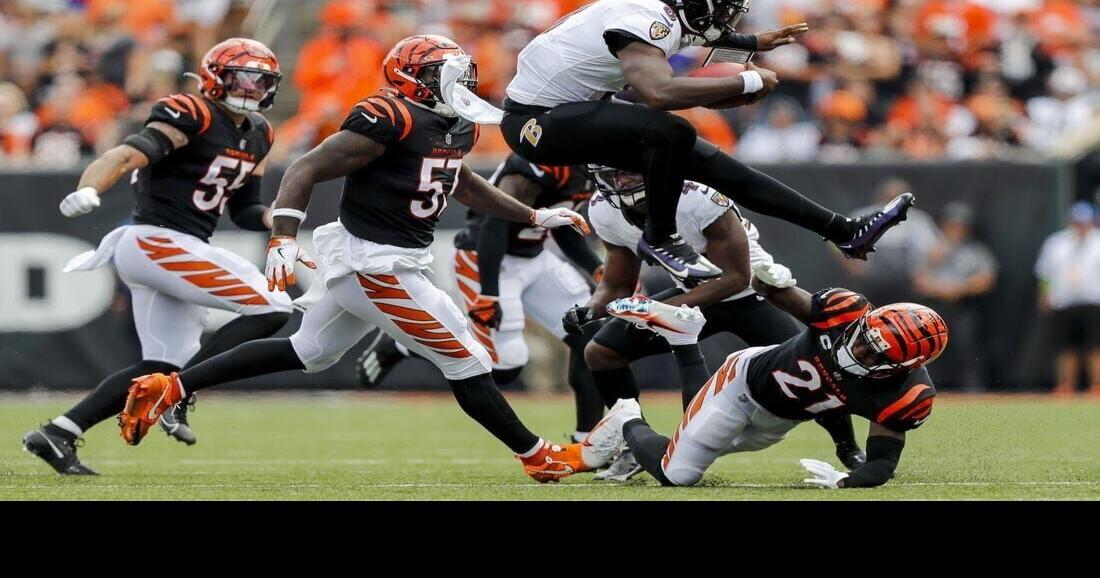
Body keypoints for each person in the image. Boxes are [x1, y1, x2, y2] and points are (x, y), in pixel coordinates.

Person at [117, 35, 612, 483]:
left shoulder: (456, 124)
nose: (463, 82)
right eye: (449, 73)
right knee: (467, 358)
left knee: (307, 350)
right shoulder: (389, 116)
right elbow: (306, 168)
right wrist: (283, 236)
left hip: (389, 260)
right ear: (415, 79)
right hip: (377, 264)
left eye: (464, 72)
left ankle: (170, 385)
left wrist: (532, 214)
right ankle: (536, 455)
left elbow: (455, 179)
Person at [498, 0, 914, 283]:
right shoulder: (646, 19)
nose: (726, 16)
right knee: (671, 129)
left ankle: (842, 230)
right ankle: (660, 238)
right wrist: (746, 78)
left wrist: (751, 44)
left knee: (715, 164)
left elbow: (689, 36)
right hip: (534, 123)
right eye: (721, 5)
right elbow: (659, 93)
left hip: (568, 112)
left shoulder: (655, 14)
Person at [23, 39, 291, 475]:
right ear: (213, 79)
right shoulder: (193, 111)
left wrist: (278, 218)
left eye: (260, 79)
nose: (252, 86)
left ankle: (59, 432)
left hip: (177, 247)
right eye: (242, 76)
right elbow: (126, 154)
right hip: (156, 240)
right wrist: (90, 187)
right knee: (274, 303)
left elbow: (244, 210)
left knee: (164, 365)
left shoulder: (261, 131)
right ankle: (179, 394)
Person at [566, 165, 864, 480]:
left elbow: (735, 277)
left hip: (753, 292)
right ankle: (630, 445)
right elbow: (617, 282)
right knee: (601, 353)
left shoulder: (696, 198)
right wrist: (590, 309)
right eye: (616, 175)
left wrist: (660, 309)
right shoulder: (603, 210)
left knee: (814, 366)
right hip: (691, 293)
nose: (625, 180)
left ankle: (846, 445)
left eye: (633, 172)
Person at [607, 260, 948, 488]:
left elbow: (882, 461)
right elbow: (771, 291)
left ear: (903, 368)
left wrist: (848, 477)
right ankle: (631, 408)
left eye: (875, 355)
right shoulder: (843, 311)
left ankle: (638, 434)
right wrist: (771, 280)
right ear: (863, 321)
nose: (860, 351)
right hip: (742, 384)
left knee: (687, 443)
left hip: (777, 424)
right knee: (677, 473)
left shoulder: (906, 395)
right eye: (864, 340)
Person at [357, 154, 605, 441]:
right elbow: (495, 225)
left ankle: (588, 440)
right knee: (504, 367)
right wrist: (489, 293)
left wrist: (596, 269)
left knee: (589, 332)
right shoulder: (542, 160)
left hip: (534, 256)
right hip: (485, 257)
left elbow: (562, 225)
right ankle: (406, 346)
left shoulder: (587, 165)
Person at [913, 202, 997, 390]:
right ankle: (923, 390)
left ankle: (973, 391)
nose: (957, 229)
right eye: (953, 225)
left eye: (962, 225)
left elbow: (987, 280)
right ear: (943, 225)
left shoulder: (975, 251)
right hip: (932, 308)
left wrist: (959, 288)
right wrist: (935, 282)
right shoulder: (930, 249)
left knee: (967, 350)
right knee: (927, 350)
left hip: (962, 306)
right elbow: (917, 279)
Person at [1035, 201, 1100, 396]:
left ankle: (1096, 385)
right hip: (1063, 302)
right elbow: (1045, 273)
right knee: (1065, 347)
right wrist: (1044, 295)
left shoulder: (1098, 242)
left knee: (1095, 346)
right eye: (1078, 221)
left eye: (1085, 222)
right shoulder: (1056, 243)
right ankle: (1066, 385)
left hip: (1093, 302)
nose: (1081, 226)